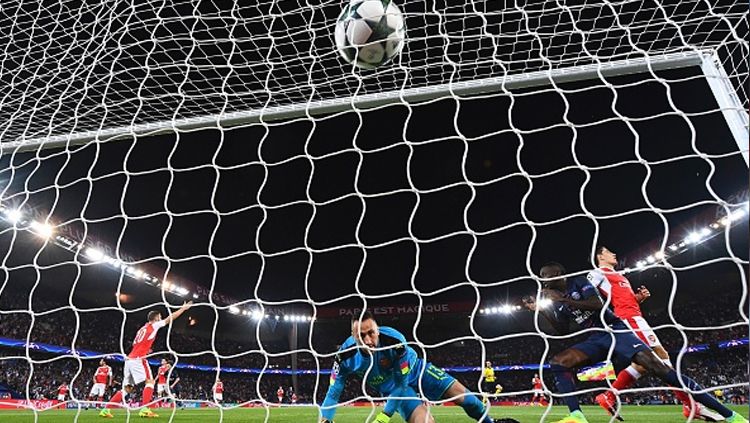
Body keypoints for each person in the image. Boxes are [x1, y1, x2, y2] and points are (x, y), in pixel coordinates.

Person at [522, 262, 746, 423]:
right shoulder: (555, 301)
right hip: (596, 339)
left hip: (617, 330)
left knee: (660, 368)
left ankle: (730, 415)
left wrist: (562, 299)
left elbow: (598, 305)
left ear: (560, 274)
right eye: (541, 276)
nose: (543, 279)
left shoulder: (578, 283)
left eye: (547, 275)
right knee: (559, 363)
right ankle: (576, 416)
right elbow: (562, 329)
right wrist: (541, 311)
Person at [588, 246, 724, 421]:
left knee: (644, 364)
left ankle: (609, 396)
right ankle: (691, 406)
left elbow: (621, 299)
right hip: (629, 319)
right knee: (661, 357)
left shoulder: (618, 275)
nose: (614, 253)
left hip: (634, 316)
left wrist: (638, 298)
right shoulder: (598, 272)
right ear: (600, 256)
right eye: (608, 252)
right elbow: (587, 291)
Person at [320, 311, 519, 423]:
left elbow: (402, 381)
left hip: (416, 371)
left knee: (470, 401)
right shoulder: (344, 356)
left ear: (377, 330)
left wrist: (384, 416)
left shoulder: (395, 341)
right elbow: (333, 392)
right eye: (360, 336)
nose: (367, 340)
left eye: (371, 333)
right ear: (352, 335)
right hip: (393, 389)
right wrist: (325, 420)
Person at [99, 301, 192, 418]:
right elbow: (169, 319)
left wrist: (147, 349)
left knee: (127, 388)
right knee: (150, 382)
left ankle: (106, 410)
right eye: (160, 317)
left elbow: (135, 344)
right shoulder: (154, 325)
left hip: (129, 360)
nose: (161, 319)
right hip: (139, 359)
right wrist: (183, 309)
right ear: (156, 318)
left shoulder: (142, 329)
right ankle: (145, 409)